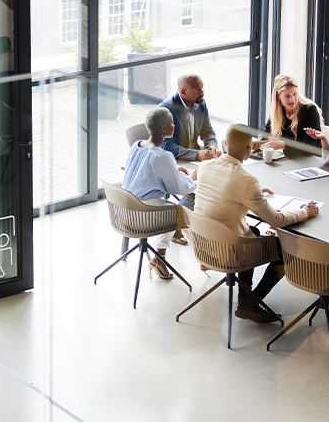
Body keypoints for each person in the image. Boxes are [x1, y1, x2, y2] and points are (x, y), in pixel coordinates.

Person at [195, 125, 319, 322]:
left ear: (225, 144)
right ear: (249, 149)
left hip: (203, 246)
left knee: (250, 229)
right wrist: (304, 212)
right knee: (287, 247)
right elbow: (276, 220)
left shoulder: (204, 167)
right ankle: (250, 301)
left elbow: (218, 186)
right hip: (229, 251)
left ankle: (246, 300)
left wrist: (255, 193)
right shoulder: (245, 180)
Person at [123, 107, 197, 279]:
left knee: (171, 208)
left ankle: (159, 259)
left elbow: (147, 171)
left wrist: (173, 170)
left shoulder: (137, 145)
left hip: (125, 209)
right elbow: (178, 188)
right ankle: (162, 258)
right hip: (142, 213)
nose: (174, 126)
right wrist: (191, 178)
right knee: (179, 213)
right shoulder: (162, 156)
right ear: (164, 129)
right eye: (172, 123)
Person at [256, 74, 324, 154]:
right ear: (278, 96)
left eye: (295, 94)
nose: (292, 100)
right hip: (289, 158)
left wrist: (283, 145)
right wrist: (259, 142)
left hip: (310, 159)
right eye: (287, 96)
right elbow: (266, 132)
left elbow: (309, 146)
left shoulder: (309, 110)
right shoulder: (278, 111)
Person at [160, 74, 220, 161]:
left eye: (202, 88)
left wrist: (212, 145)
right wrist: (197, 155)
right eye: (197, 90)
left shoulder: (200, 103)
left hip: (196, 157)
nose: (202, 92)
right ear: (183, 92)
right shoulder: (166, 109)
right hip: (175, 161)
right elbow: (166, 146)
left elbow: (207, 131)